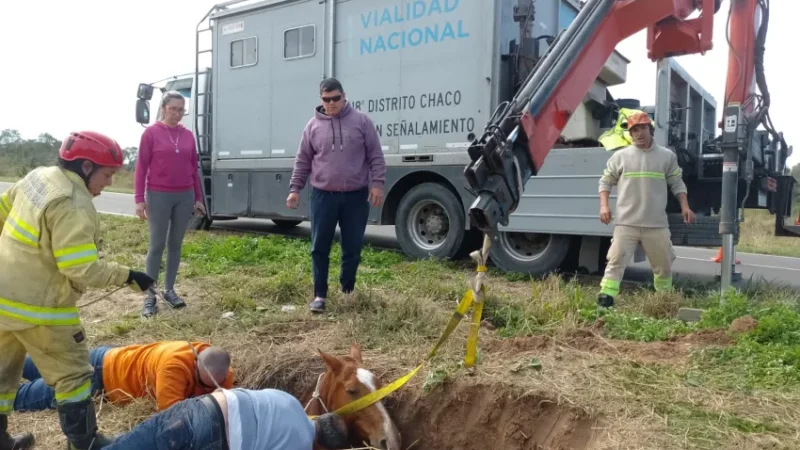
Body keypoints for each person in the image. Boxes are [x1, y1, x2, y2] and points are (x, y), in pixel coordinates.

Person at [0, 130, 156, 450]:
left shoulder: (38, 177)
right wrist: (129, 276)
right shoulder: (73, 204)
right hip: (42, 310)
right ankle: (84, 444)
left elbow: (2, 210)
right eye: (108, 174)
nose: (110, 183)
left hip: (2, 298)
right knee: (73, 377)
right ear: (86, 167)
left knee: (2, 373)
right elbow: (81, 268)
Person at [287, 77, 386, 313]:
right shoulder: (312, 126)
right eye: (326, 99)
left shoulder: (362, 122)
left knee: (352, 246)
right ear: (320, 99)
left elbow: (375, 155)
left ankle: (347, 291)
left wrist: (378, 184)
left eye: (335, 99)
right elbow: (303, 160)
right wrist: (294, 189)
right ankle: (320, 295)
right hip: (323, 196)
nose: (331, 104)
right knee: (319, 246)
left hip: (355, 196)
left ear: (344, 96)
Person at [597, 111, 696, 308]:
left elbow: (677, 183)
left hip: (656, 223)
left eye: (642, 128)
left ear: (650, 129)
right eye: (634, 130)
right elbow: (605, 181)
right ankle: (605, 302)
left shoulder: (667, 156)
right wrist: (604, 205)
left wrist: (685, 206)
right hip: (626, 222)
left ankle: (663, 301)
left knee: (664, 265)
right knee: (615, 262)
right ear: (630, 134)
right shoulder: (620, 157)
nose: (639, 134)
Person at [134, 90, 206, 318]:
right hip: (158, 194)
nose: (177, 113)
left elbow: (194, 168)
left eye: (181, 109)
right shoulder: (151, 134)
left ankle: (170, 290)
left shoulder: (188, 136)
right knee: (156, 245)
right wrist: (139, 199)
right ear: (164, 108)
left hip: (183, 195)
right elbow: (141, 168)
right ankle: (150, 296)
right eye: (173, 108)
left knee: (175, 244)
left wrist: (198, 197)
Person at [13, 341, 234, 413]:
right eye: (198, 382)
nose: (202, 389)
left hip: (112, 357)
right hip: (102, 374)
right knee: (28, 397)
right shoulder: (173, 367)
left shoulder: (221, 370)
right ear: (195, 361)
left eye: (207, 386)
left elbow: (225, 400)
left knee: (47, 366)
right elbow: (173, 413)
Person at [105, 388, 350, 450]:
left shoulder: (290, 401)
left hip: (200, 406)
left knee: (128, 444)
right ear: (323, 445)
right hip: (215, 437)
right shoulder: (300, 445)